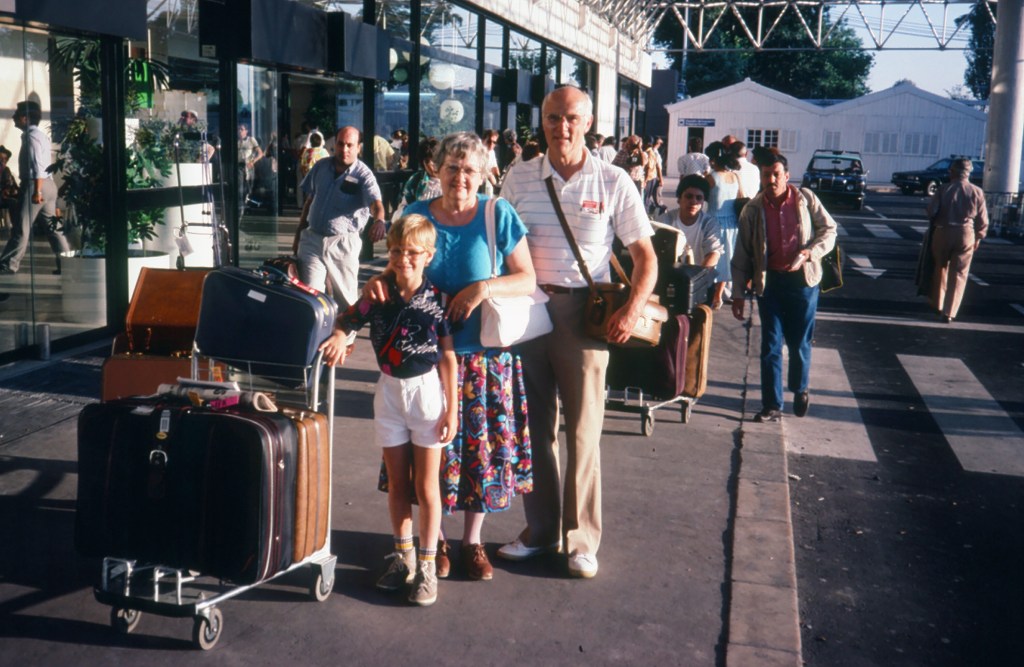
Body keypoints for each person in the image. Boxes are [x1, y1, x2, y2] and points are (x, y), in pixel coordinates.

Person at [497, 86, 657, 579]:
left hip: (585, 316)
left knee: (584, 433)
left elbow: (646, 258)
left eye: (570, 118)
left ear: (587, 123)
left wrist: (630, 310)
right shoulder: (519, 176)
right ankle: (541, 531)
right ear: (542, 121)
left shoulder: (613, 180)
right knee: (533, 430)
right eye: (552, 118)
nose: (560, 127)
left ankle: (582, 540)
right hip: (528, 312)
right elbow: (498, 244)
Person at [365, 131, 538, 582]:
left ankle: (472, 542)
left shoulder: (497, 213)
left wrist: (483, 288)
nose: (460, 177)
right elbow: (397, 265)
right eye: (452, 168)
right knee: (429, 459)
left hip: (482, 359)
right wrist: (377, 282)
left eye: (470, 170)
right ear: (436, 170)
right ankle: (434, 541)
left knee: (477, 455)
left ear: (483, 175)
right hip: (422, 362)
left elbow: (527, 279)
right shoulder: (417, 213)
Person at [320, 214, 458, 607]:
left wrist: (453, 411)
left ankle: (427, 565)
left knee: (426, 487)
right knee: (397, 484)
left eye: (412, 252)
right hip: (389, 394)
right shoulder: (377, 294)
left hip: (427, 395)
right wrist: (340, 336)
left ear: (428, 255)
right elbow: (348, 319)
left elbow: (448, 357)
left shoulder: (439, 301)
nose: (403, 259)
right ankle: (404, 558)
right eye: (397, 251)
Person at [731, 151, 837, 423]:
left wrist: (809, 253)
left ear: (787, 176)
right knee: (770, 345)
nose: (771, 180)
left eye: (776, 174)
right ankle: (772, 405)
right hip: (770, 284)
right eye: (766, 175)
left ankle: (800, 388)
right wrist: (738, 294)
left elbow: (829, 230)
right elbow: (742, 255)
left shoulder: (806, 199)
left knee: (799, 342)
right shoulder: (752, 210)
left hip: (803, 282)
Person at [293, 126, 386, 309]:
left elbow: (376, 204)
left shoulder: (364, 175)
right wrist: (298, 234)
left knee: (346, 302)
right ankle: (320, 328)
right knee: (311, 299)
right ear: (334, 145)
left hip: (343, 244)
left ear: (358, 147)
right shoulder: (321, 166)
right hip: (313, 240)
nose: (344, 149)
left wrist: (379, 221)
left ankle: (346, 329)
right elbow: (309, 201)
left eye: (350, 145)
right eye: (341, 144)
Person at [0, 101, 69, 276]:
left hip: (35, 184)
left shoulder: (32, 138)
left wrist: (37, 191)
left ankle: (8, 264)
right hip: (47, 184)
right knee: (53, 229)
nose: (13, 117)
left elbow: (38, 165)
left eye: (17, 115)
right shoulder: (40, 136)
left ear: (25, 118)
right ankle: (67, 264)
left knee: (21, 228)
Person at [923, 158, 988, 322]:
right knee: (959, 273)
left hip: (942, 231)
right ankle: (949, 312)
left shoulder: (943, 189)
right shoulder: (977, 191)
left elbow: (931, 212)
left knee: (940, 268)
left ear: (952, 172)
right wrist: (979, 237)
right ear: (969, 173)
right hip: (965, 233)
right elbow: (983, 220)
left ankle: (939, 303)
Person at [704, 141, 744, 310]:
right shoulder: (735, 176)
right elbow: (742, 197)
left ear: (713, 159)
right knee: (727, 260)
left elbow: (702, 198)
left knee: (710, 257)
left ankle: (707, 293)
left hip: (714, 222)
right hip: (732, 223)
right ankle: (718, 296)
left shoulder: (710, 177)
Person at [655, 174, 723, 268]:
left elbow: (713, 253)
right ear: (679, 199)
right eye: (689, 196)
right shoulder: (665, 220)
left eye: (699, 198)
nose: (693, 201)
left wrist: (700, 275)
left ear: (703, 202)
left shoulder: (709, 224)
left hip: (699, 273)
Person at [237, 123, 263, 208]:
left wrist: (253, 162)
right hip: (239, 166)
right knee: (240, 186)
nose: (240, 131)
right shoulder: (237, 142)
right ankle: (241, 204)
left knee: (249, 186)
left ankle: (247, 202)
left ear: (246, 131)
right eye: (239, 129)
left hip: (248, 166)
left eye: (242, 129)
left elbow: (260, 153)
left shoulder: (251, 140)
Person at [644, 136, 665, 216]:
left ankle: (661, 212)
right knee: (650, 198)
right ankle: (653, 212)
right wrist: (661, 179)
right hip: (654, 177)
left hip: (652, 178)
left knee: (652, 198)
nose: (660, 145)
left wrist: (661, 179)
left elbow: (657, 167)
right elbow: (658, 167)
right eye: (659, 143)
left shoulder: (652, 152)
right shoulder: (654, 152)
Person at [0, 145, 18, 232]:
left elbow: (11, 185)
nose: (3, 161)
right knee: (13, 202)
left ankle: (16, 229)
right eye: (1, 159)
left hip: (7, 197)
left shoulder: (6, 170)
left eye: (5, 159)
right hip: (3, 197)